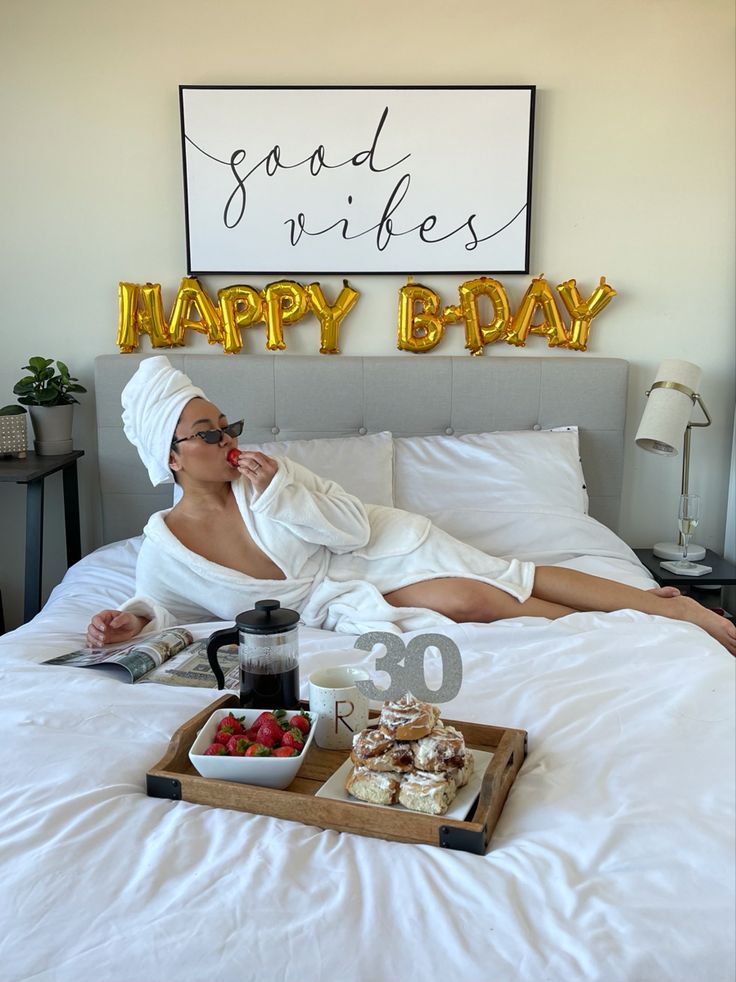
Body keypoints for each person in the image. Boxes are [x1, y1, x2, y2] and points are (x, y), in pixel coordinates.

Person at [86, 357, 736, 655]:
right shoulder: (165, 542)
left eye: (228, 424)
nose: (228, 440)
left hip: (379, 546)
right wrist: (127, 623)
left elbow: (348, 527)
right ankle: (626, 623)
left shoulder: (271, 477)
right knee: (469, 602)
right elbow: (159, 604)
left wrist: (281, 485)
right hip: (340, 599)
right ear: (170, 456)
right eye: (208, 435)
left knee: (499, 578)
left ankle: (657, 611)